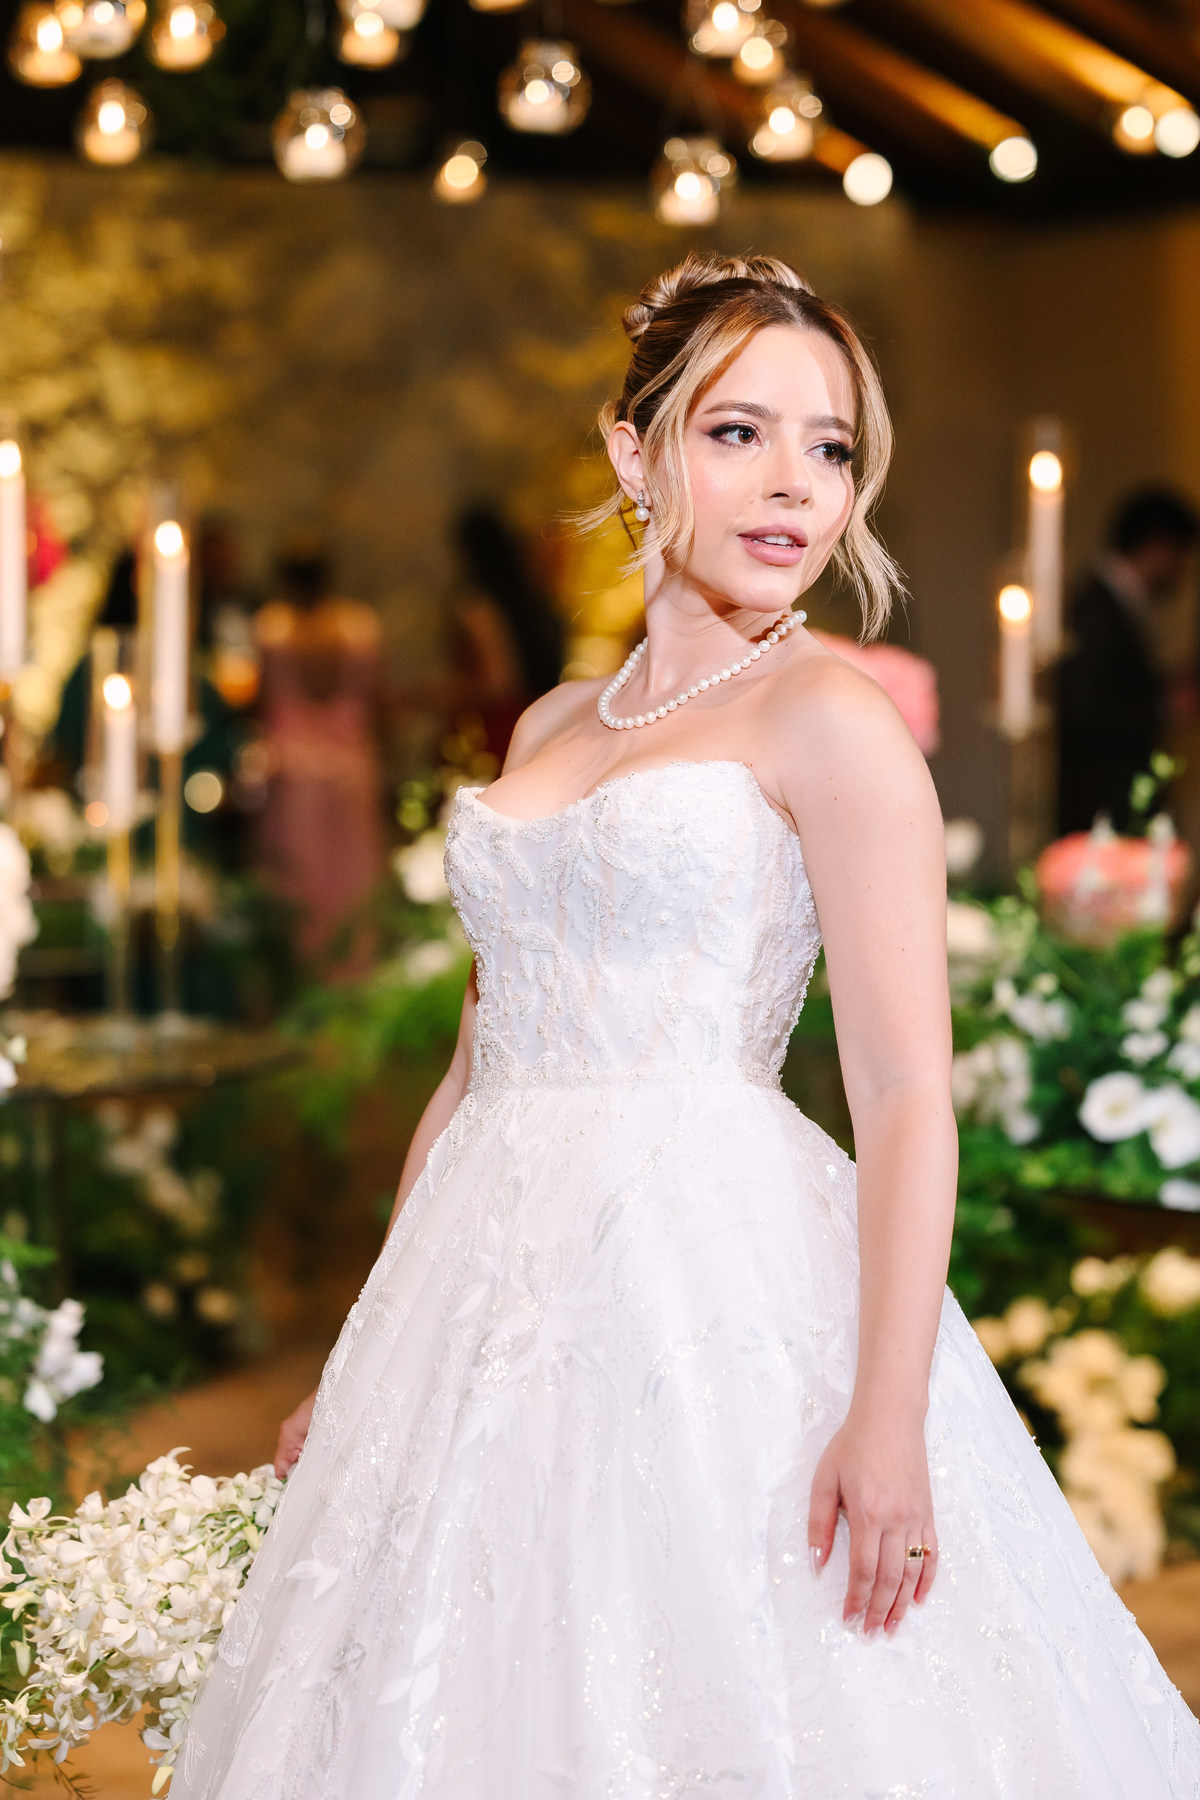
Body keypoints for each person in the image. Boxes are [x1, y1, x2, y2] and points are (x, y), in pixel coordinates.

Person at [174, 256, 1200, 1798]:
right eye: (738, 433)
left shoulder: (831, 720)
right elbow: (474, 1071)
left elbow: (906, 1093)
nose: (795, 484)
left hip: (705, 1292)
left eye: (830, 446)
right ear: (632, 450)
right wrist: (369, 1348)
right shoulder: (550, 723)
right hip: (477, 1308)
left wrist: (888, 1418)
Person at [252, 542, 385, 968]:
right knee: (350, 877)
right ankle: (353, 971)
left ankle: (301, 972)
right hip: (352, 771)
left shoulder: (272, 629)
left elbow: (259, 702)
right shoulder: (360, 627)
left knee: (299, 877)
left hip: (293, 776)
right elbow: (378, 703)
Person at [1057, 487, 1199, 834]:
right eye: (1181, 555)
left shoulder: (1114, 603)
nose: (1182, 571)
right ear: (1157, 546)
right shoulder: (1096, 606)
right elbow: (1085, 706)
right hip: (1102, 806)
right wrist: (1163, 707)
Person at [447, 503, 566, 764]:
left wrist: (441, 695)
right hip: (539, 720)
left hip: (499, 729)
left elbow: (499, 682)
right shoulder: (529, 598)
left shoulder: (477, 606)